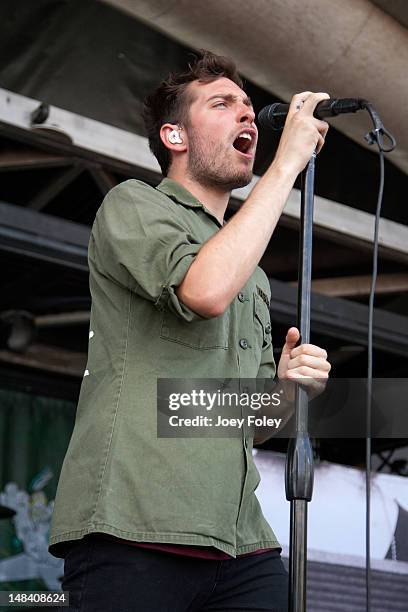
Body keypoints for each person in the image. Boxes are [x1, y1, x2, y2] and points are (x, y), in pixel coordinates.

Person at [49, 50, 331, 611]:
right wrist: (286, 166)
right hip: (136, 526)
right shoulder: (133, 203)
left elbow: (249, 425)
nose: (247, 116)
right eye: (223, 104)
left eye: (249, 107)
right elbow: (201, 291)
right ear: (174, 135)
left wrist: (287, 389)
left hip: (241, 541)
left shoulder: (250, 273)